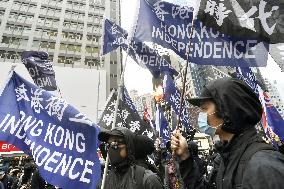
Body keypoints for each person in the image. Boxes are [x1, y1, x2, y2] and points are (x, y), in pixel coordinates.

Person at [171, 78, 284, 189]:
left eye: (204, 109)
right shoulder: (223, 160)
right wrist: (185, 157)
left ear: (226, 110)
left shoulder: (263, 166)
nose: (199, 115)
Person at [96, 127, 163, 189]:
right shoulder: (104, 182)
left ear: (128, 146)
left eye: (115, 144)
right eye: (108, 145)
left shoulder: (147, 180)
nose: (111, 148)